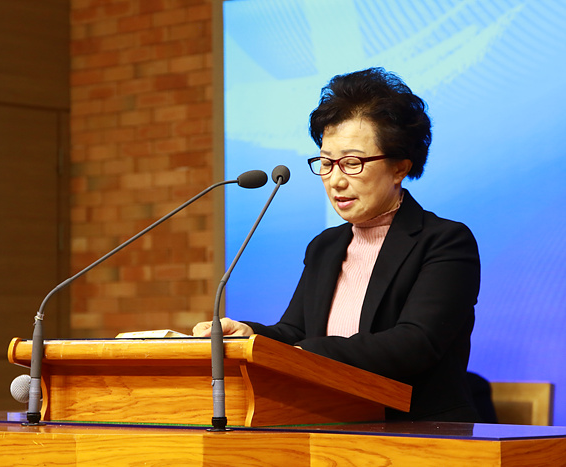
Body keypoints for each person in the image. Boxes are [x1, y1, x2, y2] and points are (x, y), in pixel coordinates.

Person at [193, 67, 482, 422]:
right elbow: (296, 331)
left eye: (351, 163)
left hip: (421, 428)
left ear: (399, 168)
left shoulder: (444, 242)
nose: (335, 180)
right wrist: (251, 335)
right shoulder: (325, 246)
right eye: (326, 163)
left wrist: (300, 353)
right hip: (330, 420)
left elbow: (415, 344)